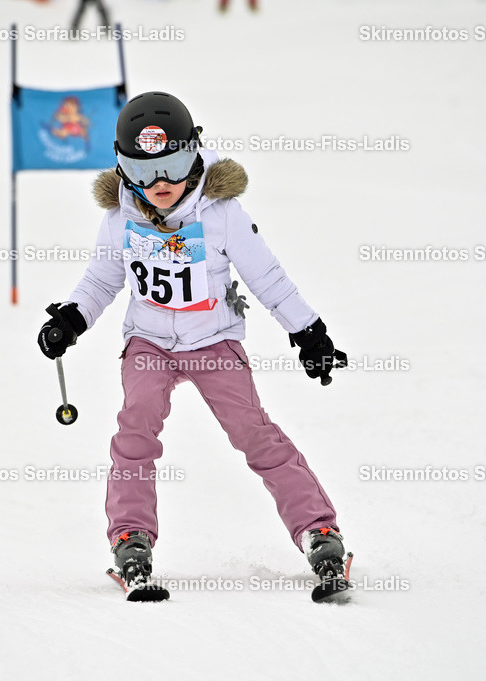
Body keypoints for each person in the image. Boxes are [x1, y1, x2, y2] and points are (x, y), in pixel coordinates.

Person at [37, 92, 349, 599]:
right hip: (149, 342)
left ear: (195, 153)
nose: (159, 184)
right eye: (142, 171)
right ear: (122, 168)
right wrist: (71, 320)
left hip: (213, 341)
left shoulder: (222, 213)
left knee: (254, 433)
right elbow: (101, 280)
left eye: (174, 166)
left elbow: (267, 277)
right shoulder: (121, 217)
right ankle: (130, 538)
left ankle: (319, 531)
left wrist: (308, 331)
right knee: (135, 427)